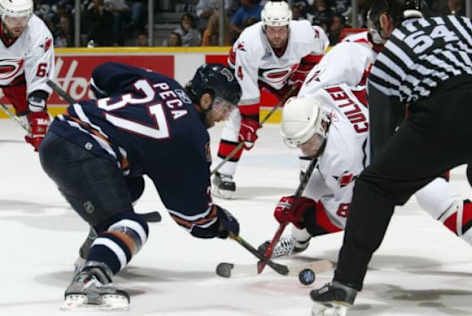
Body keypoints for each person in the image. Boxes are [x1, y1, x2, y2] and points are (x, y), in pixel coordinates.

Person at [309, 1, 472, 315]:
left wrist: (401, 176)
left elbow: (382, 146)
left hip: (442, 115)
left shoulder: (392, 53)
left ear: (386, 22)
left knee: (373, 187)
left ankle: (345, 285)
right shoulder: (467, 26)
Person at [258, 28, 472, 269]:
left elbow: (349, 214)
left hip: (417, 133)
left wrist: (307, 219)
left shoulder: (341, 155)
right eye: (298, 142)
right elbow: (315, 167)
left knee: (432, 193)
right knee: (312, 181)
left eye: (306, 140)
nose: (302, 147)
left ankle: (301, 235)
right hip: (401, 120)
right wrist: (302, 203)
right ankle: (298, 240)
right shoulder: (319, 95)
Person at [38, 62, 242, 310]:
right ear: (207, 99)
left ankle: (98, 244)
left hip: (61, 133)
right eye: (225, 107)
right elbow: (192, 215)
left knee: (132, 186)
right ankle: (90, 277)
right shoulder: (192, 136)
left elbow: (102, 75)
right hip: (81, 151)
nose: (226, 116)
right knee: (132, 226)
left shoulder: (165, 83)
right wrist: (218, 222)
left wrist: (122, 114)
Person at [213, 0, 329, 199]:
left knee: (306, 113)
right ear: (264, 26)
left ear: (289, 26)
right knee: (237, 118)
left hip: (285, 76)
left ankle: (308, 170)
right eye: (272, 30)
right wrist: (250, 120)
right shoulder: (248, 42)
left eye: (282, 30)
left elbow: (320, 46)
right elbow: (246, 85)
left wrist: (303, 72)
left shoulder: (305, 33)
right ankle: (223, 174)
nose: (276, 35)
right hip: (245, 77)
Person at [0, 0, 54, 151]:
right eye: (12, 19)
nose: (19, 24)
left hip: (17, 79)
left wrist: (38, 103)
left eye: (24, 18)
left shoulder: (38, 32)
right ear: (2, 16)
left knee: (37, 123)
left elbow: (39, 69)